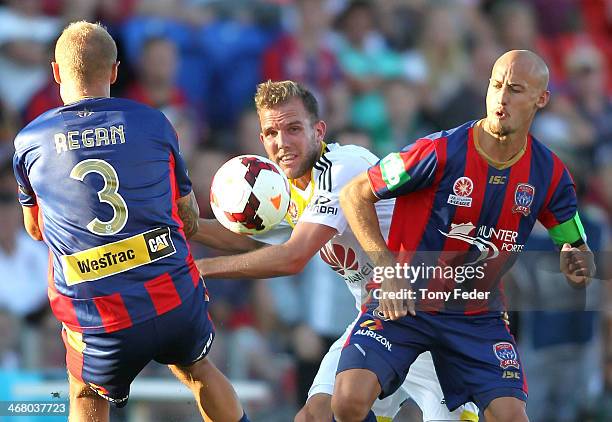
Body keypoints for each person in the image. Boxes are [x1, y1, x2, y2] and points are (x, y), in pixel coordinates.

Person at [192, 80, 479, 422]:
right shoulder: (286, 188)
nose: (281, 142)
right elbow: (253, 242)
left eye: (293, 129)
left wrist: (199, 269)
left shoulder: (344, 167)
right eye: (271, 132)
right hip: (377, 315)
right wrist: (187, 227)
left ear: (318, 130)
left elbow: (293, 256)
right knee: (315, 416)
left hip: (430, 312)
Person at [335, 50, 596, 422]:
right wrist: (387, 268)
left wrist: (576, 258)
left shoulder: (550, 174)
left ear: (542, 99)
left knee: (511, 416)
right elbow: (354, 193)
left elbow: (572, 240)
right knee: (347, 402)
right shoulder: (437, 151)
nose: (501, 99)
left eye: (516, 90)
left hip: (476, 314)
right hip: (406, 302)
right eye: (496, 85)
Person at [12, 21, 248, 422]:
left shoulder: (29, 143)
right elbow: (187, 219)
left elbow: (35, 230)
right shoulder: (154, 122)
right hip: (172, 294)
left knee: (85, 392)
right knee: (198, 370)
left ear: (55, 72)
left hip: (100, 316)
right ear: (116, 71)